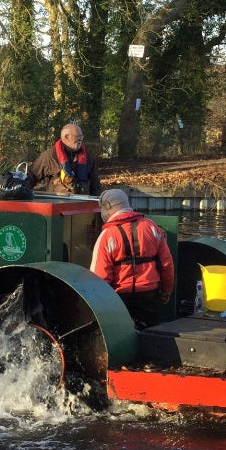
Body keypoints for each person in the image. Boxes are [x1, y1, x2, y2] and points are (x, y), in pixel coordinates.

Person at [90, 188, 175, 328]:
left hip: (119, 297)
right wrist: (167, 290)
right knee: (149, 332)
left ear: (107, 209)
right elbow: (167, 263)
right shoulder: (152, 227)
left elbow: (100, 276)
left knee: (123, 332)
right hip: (149, 294)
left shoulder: (106, 236)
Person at [27, 123, 101, 196]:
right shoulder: (50, 156)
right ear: (66, 137)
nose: (80, 139)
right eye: (77, 136)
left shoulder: (88, 157)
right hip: (57, 204)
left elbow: (95, 183)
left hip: (82, 204)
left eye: (81, 136)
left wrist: (98, 202)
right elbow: (31, 174)